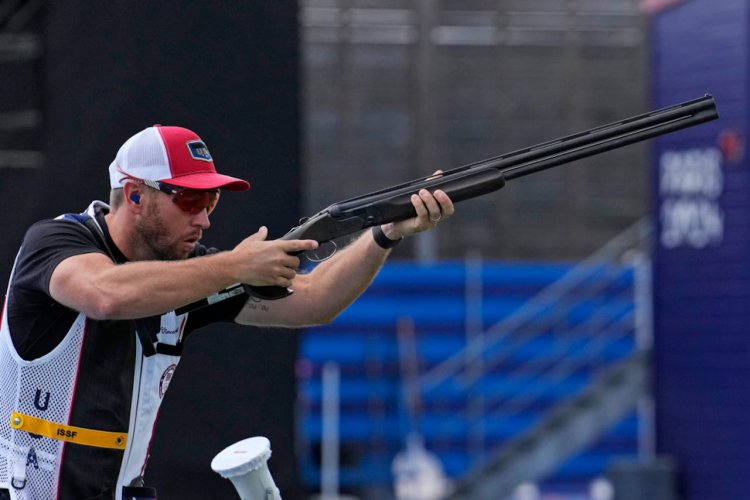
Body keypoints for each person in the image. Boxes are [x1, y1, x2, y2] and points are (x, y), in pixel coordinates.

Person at [0, 125, 453, 499]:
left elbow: (315, 299)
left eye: (211, 202)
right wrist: (236, 265)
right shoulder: (55, 242)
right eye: (190, 201)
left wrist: (385, 234)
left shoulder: (192, 273)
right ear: (135, 196)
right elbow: (105, 294)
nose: (205, 219)